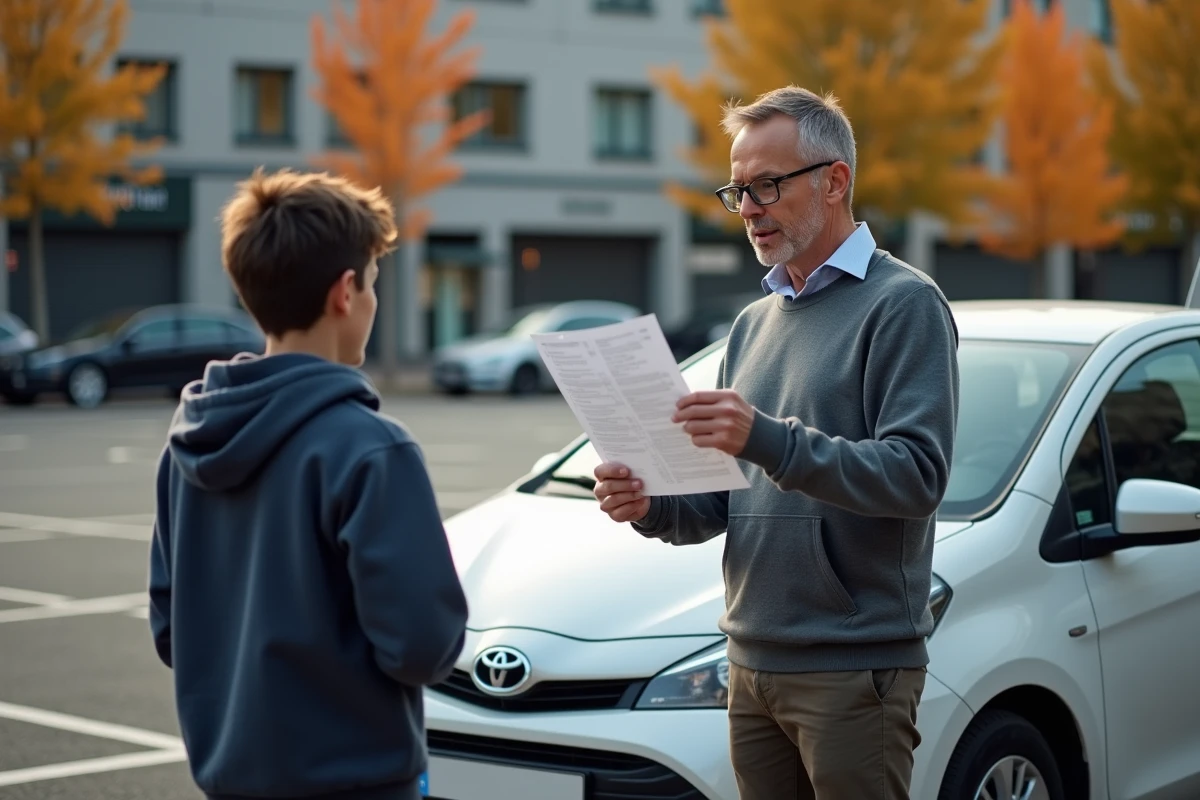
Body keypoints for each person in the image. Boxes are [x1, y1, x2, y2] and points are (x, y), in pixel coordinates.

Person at [594, 86, 960, 799]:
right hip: (750, 658)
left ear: (835, 181)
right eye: (738, 191)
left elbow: (916, 476)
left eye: (767, 185)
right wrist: (650, 505)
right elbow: (718, 503)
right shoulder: (753, 324)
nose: (749, 209)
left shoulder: (904, 303)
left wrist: (767, 439)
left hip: (854, 665)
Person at [147, 168, 468, 800]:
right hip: (356, 783)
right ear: (345, 293)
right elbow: (423, 646)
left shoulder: (188, 441)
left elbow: (170, 630)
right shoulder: (371, 449)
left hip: (231, 780)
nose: (374, 300)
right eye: (373, 282)